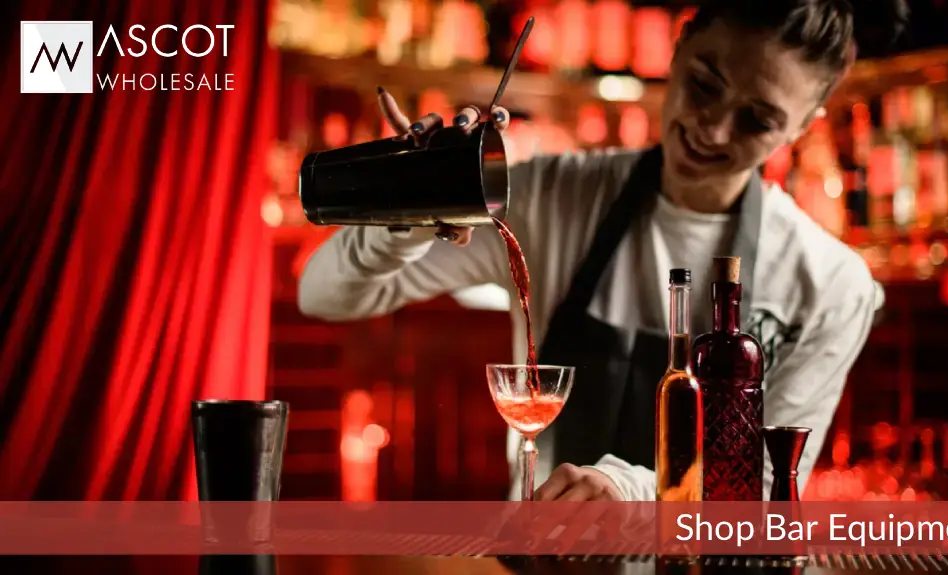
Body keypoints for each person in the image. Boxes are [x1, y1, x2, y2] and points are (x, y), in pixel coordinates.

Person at [298, 0, 909, 502]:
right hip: (539, 557)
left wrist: (629, 492)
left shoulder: (830, 284)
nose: (714, 128)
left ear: (804, 125)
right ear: (677, 49)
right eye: (703, 85)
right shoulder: (552, 198)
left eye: (757, 121)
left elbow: (770, 483)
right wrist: (414, 205)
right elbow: (323, 295)